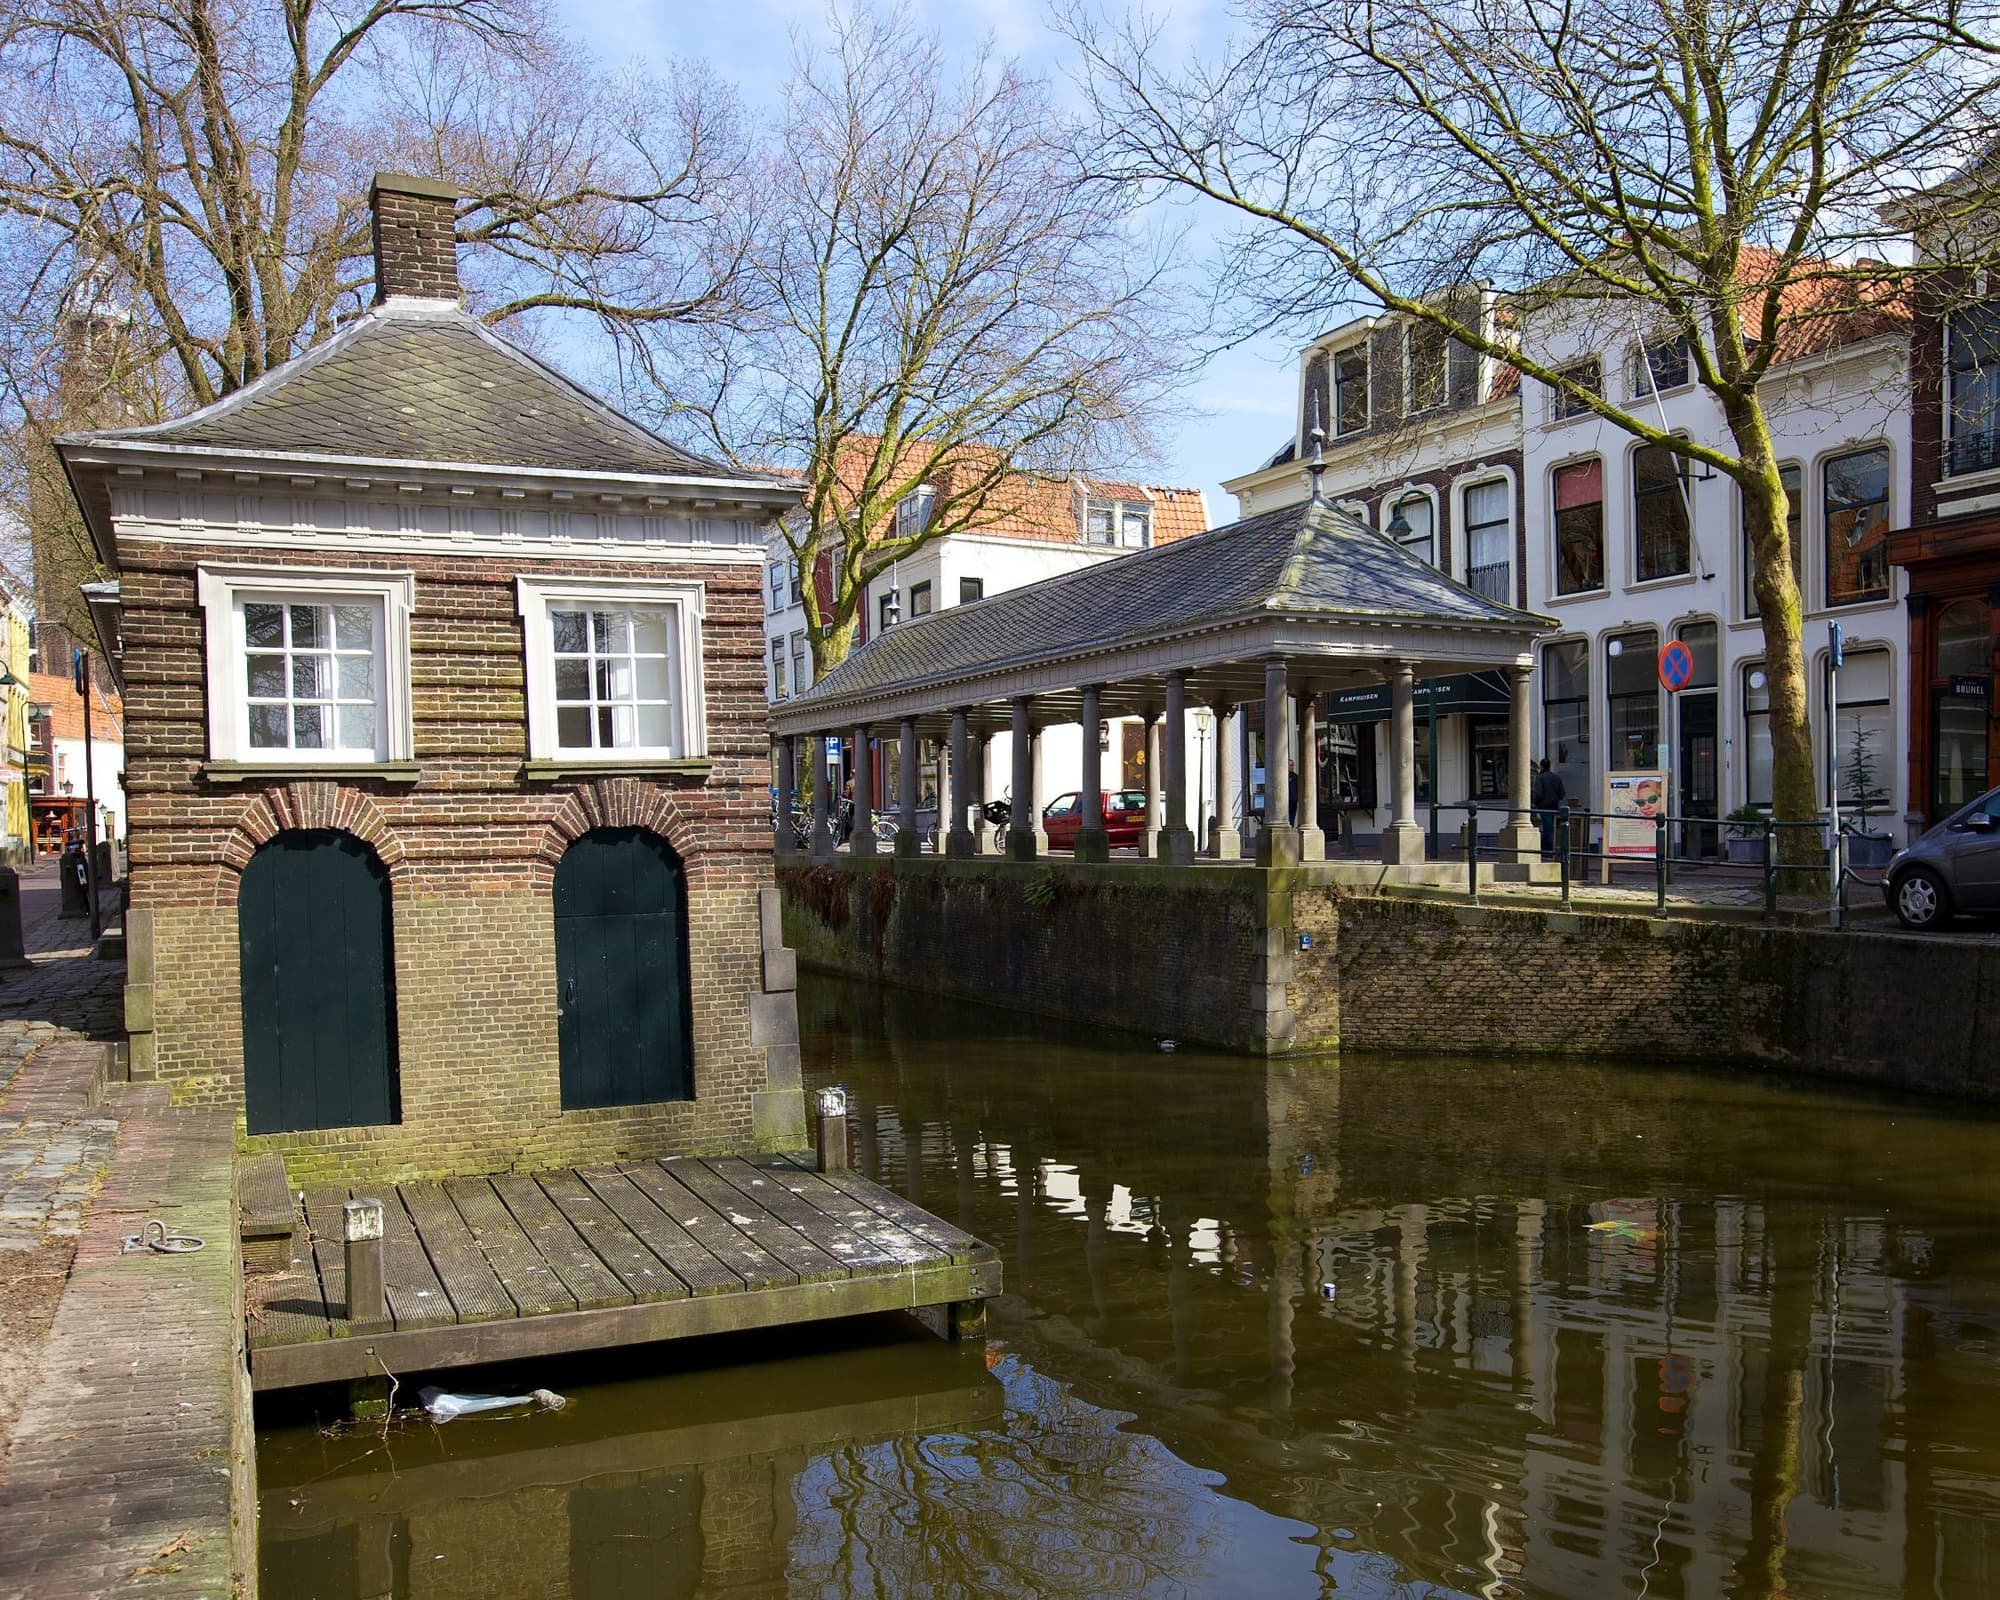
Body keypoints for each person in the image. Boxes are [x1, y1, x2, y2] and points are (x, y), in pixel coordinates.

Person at [1531, 758, 1566, 858]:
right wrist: (1556, 798)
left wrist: (1536, 803)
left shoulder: (1540, 778)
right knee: (1554, 827)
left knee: (1548, 828)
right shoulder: (1556, 777)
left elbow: (1538, 793)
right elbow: (1562, 793)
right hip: (1554, 806)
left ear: (1542, 766)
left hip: (1544, 806)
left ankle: (1548, 850)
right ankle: (1555, 848)